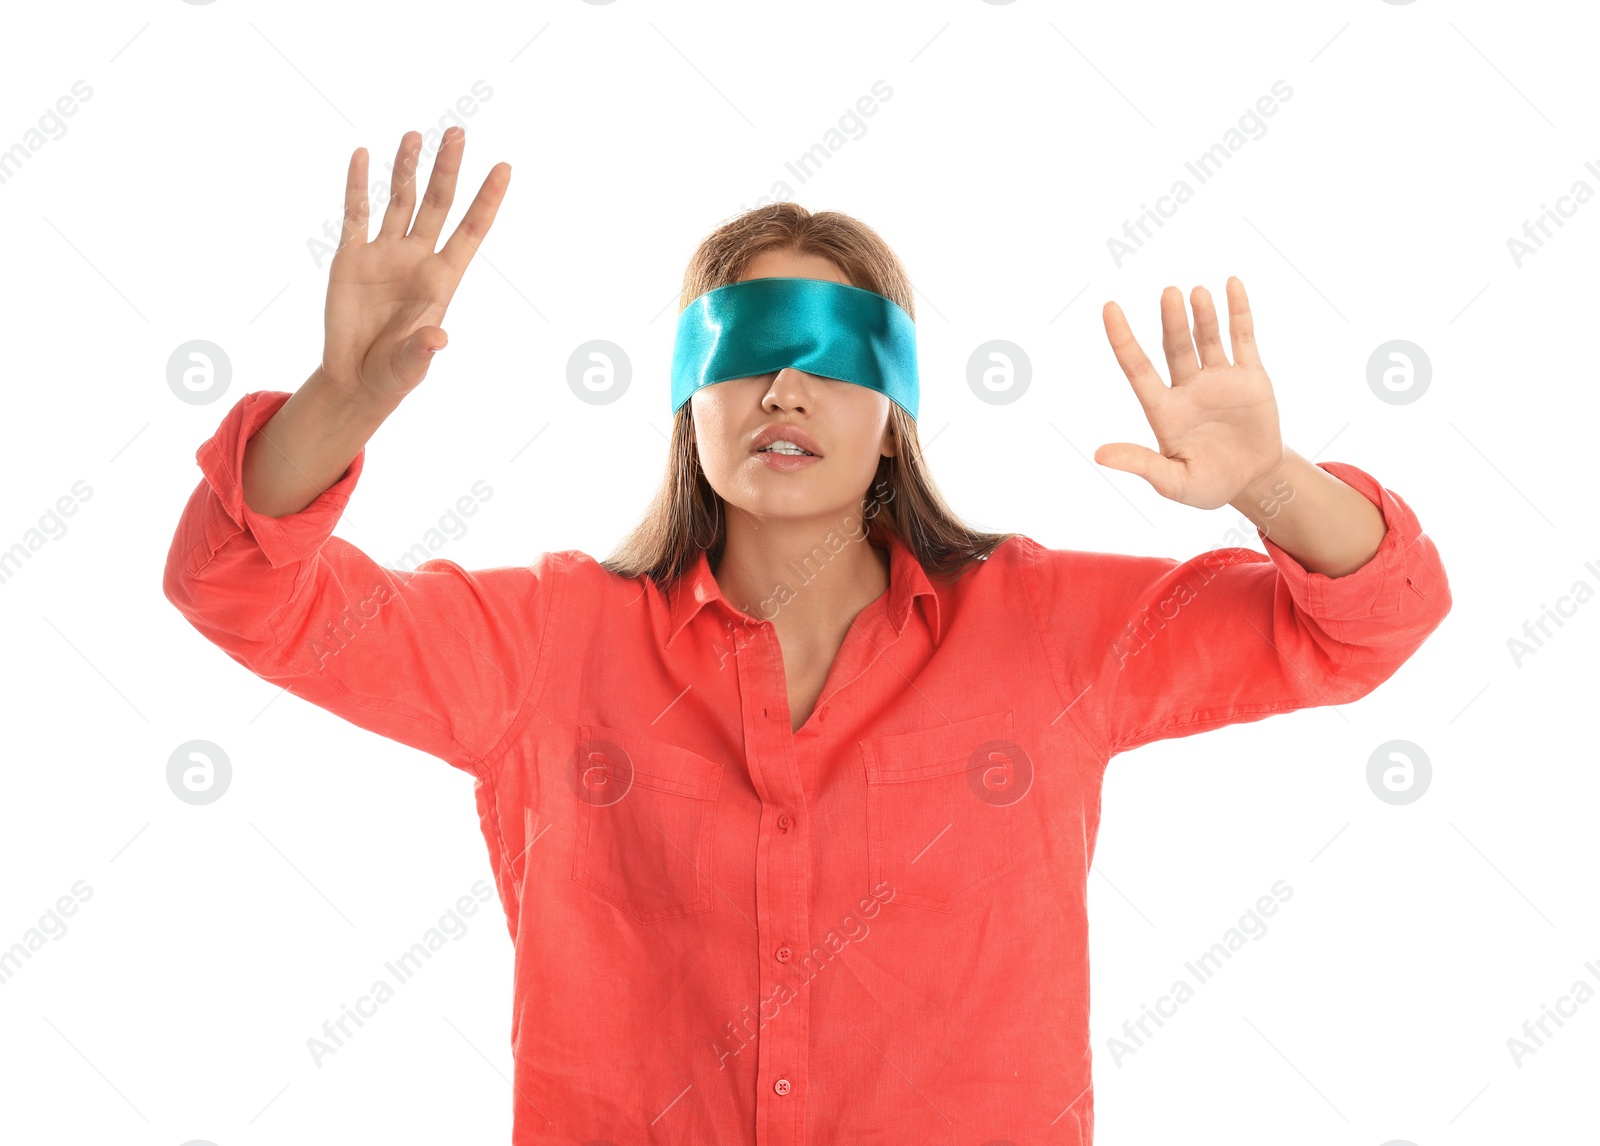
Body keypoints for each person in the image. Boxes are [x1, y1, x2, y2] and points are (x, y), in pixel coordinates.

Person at [162, 126, 1452, 1146]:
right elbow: (239, 588)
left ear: (896, 407)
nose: (785, 387)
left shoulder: (1046, 627)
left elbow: (1370, 624)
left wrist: (1269, 480)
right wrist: (338, 402)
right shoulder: (547, 642)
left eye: (831, 354)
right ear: (687, 402)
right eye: (746, 352)